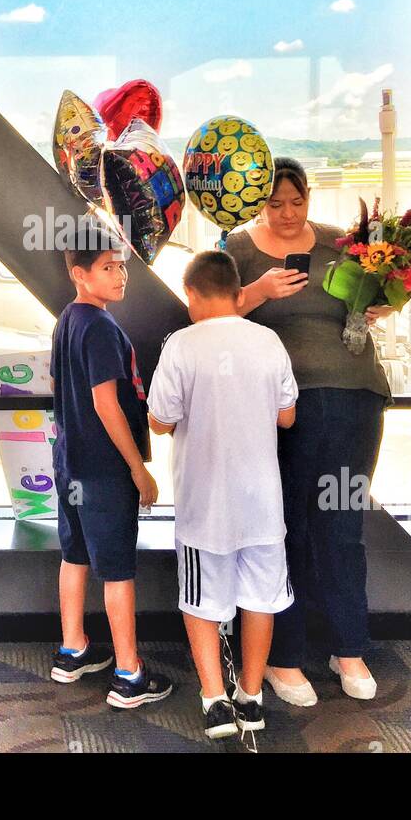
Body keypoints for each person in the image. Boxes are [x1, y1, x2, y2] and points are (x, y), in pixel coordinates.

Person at [224, 157, 395, 705]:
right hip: (280, 409)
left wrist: (378, 305)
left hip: (355, 397)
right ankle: (283, 656)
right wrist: (259, 291)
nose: (288, 214)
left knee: (342, 528)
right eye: (275, 205)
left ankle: (349, 647)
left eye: (297, 202)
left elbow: (377, 298)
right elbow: (210, 314)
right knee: (288, 528)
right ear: (258, 204)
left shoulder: (342, 243)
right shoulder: (239, 249)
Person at [147, 251, 297, 740]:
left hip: (204, 503)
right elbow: (287, 416)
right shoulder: (269, 341)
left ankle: (214, 699)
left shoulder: (180, 345)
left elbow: (160, 421)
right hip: (262, 503)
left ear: (191, 294)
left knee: (201, 598)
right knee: (260, 598)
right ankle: (251, 697)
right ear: (238, 294)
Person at [49, 224, 173, 709]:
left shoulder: (68, 319)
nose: (120, 275)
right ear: (81, 275)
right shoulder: (100, 327)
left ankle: (72, 649)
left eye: (121, 265)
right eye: (107, 267)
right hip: (102, 471)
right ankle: (128, 675)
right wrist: (138, 470)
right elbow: (106, 405)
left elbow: (64, 389)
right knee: (118, 571)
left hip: (69, 463)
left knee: (74, 556)